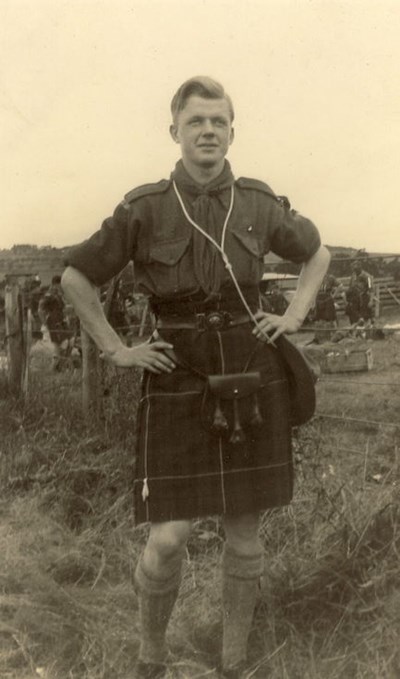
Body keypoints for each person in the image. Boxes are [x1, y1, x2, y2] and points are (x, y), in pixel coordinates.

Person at [61, 76, 330, 679]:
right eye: (196, 122)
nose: (208, 132)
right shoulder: (144, 207)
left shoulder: (259, 202)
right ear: (175, 131)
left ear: (233, 130)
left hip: (252, 369)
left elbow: (318, 253)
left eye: (219, 122)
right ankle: (150, 659)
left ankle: (234, 662)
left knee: (245, 532)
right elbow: (76, 279)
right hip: (175, 371)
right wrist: (116, 350)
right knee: (168, 536)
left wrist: (292, 315)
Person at [345, 260, 373, 326]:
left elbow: (371, 289)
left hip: (363, 298)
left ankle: (365, 331)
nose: (355, 271)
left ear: (360, 268)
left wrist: (371, 301)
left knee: (364, 317)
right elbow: (350, 287)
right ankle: (355, 332)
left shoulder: (367, 277)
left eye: (356, 269)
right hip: (354, 299)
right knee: (353, 317)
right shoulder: (353, 275)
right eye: (354, 269)